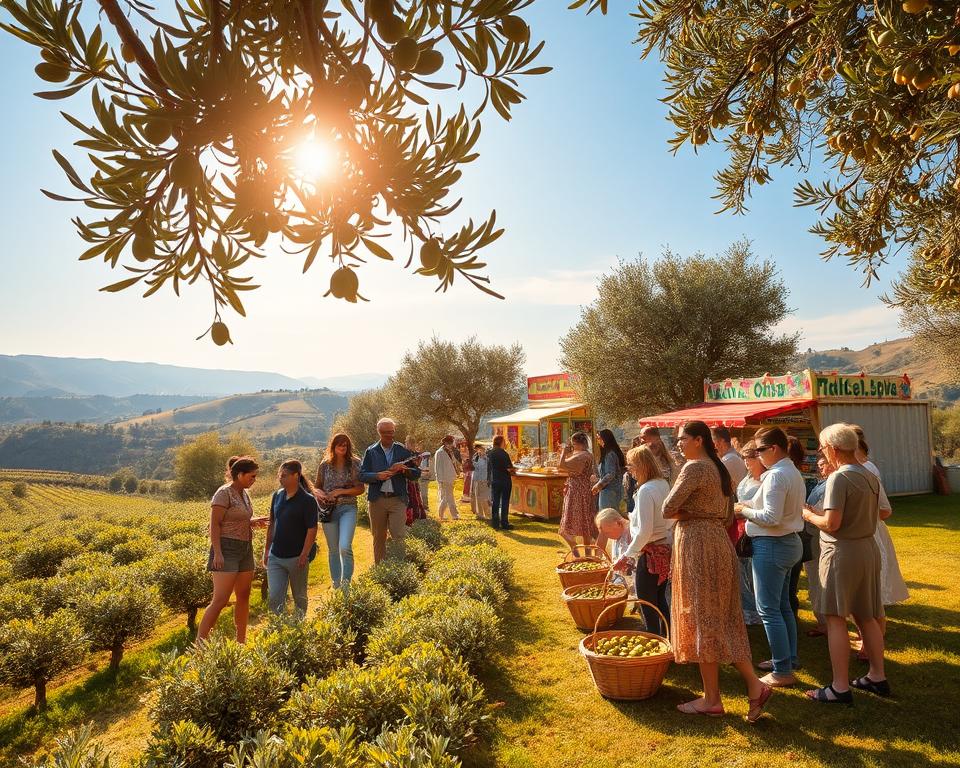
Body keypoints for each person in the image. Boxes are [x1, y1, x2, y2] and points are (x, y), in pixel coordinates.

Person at [663, 421, 771, 721]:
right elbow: (725, 515)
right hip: (718, 544)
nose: (679, 444)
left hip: (698, 546)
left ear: (698, 440)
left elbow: (667, 508)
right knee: (721, 619)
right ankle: (752, 686)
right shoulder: (719, 467)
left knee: (703, 619)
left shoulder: (695, 468)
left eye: (682, 438)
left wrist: (692, 513)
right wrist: (700, 513)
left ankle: (714, 698)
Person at [802, 423, 889, 704]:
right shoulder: (869, 474)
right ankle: (877, 675)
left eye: (823, 447)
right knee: (867, 614)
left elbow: (832, 523)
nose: (821, 452)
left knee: (835, 617)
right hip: (867, 549)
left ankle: (839, 686)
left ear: (833, 449)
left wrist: (808, 515)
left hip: (842, 552)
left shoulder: (839, 478)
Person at [734, 426, 805, 687]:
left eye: (760, 450)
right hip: (788, 543)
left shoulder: (776, 476)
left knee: (769, 610)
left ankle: (782, 670)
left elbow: (771, 517)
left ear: (773, 448)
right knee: (783, 606)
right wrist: (748, 506)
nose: (757, 455)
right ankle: (787, 659)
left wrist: (744, 511)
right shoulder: (790, 472)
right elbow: (771, 508)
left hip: (773, 544)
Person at [198, 456, 268, 643]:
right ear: (240, 475)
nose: (254, 480)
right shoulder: (223, 493)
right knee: (220, 600)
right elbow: (214, 524)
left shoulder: (245, 494)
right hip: (226, 548)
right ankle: (200, 645)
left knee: (244, 596)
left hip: (245, 547)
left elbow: (238, 518)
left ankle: (241, 641)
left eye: (255, 476)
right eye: (251, 476)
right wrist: (218, 552)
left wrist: (253, 521)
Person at [611, 445, 673, 632]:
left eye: (631, 466)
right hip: (664, 547)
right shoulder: (662, 483)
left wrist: (627, 555)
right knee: (659, 598)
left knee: (647, 601)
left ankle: (654, 640)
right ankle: (667, 638)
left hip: (652, 551)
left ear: (641, 466)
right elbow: (667, 520)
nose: (629, 471)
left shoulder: (647, 489)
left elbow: (645, 530)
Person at [359, 418, 421, 563]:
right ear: (379, 432)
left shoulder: (402, 451)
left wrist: (405, 470)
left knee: (399, 535)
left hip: (397, 499)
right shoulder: (371, 451)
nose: (389, 435)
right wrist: (377, 476)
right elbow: (361, 475)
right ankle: (380, 568)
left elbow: (416, 474)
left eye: (391, 432)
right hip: (377, 500)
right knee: (378, 537)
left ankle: (399, 567)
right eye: (385, 433)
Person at [264, 460, 319, 615]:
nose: (280, 479)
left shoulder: (308, 500)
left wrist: (304, 554)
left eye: (284, 476)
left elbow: (312, 529)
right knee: (275, 597)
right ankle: (278, 629)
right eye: (279, 475)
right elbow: (272, 523)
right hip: (276, 557)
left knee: (299, 597)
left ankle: (299, 628)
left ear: (296, 475)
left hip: (297, 558)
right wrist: (267, 550)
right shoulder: (277, 496)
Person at [315, 433, 364, 593]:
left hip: (348, 508)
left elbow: (360, 489)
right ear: (333, 446)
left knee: (344, 546)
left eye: (345, 445)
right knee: (333, 549)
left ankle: (346, 583)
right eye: (339, 445)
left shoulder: (355, 463)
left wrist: (339, 491)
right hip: (329, 511)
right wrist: (322, 496)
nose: (343, 447)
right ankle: (336, 583)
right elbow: (317, 487)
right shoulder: (324, 465)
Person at [803, 452, 834, 637]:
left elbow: (828, 515)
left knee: (819, 580)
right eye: (819, 464)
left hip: (820, 537)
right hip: (815, 535)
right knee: (815, 579)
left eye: (824, 464)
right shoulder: (824, 482)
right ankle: (824, 622)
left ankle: (826, 623)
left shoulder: (833, 483)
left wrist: (809, 513)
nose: (821, 467)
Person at [733, 441, 763, 626]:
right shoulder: (748, 476)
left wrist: (742, 508)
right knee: (741, 570)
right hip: (740, 525)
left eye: (749, 459)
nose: (746, 463)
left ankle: (756, 612)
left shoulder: (765, 479)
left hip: (753, 525)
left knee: (752, 573)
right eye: (744, 459)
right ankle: (746, 610)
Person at [558, 431, 599, 549]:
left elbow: (561, 465)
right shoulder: (587, 455)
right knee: (585, 521)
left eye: (573, 445)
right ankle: (585, 551)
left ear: (579, 444)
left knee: (571, 525)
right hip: (582, 490)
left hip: (577, 491)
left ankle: (576, 549)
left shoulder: (582, 456)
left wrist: (564, 452)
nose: (572, 447)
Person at [487, 434, 515, 530]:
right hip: (504, 480)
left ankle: (495, 523)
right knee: (505, 502)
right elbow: (509, 468)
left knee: (495, 501)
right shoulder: (503, 453)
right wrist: (513, 471)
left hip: (494, 479)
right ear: (501, 442)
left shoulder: (490, 453)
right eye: (504, 441)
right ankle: (504, 522)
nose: (505, 443)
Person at [434, 435, 461, 521]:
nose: (451, 445)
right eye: (449, 443)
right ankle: (454, 515)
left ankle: (442, 515)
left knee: (446, 497)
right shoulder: (439, 452)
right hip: (444, 478)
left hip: (450, 477)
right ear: (445, 443)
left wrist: (457, 471)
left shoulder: (450, 452)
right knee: (448, 497)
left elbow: (453, 463)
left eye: (451, 443)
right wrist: (439, 479)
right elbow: (437, 467)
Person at [471, 444, 491, 520]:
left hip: (483, 479)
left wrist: (482, 457)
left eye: (480, 449)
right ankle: (480, 514)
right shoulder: (475, 457)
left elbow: (483, 467)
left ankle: (487, 514)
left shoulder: (486, 458)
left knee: (483, 497)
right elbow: (476, 467)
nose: (479, 451)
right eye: (477, 450)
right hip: (477, 479)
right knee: (478, 497)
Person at [623, 436, 642, 515]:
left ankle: (632, 512)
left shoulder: (639, 452)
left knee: (633, 495)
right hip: (632, 476)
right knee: (631, 495)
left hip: (636, 476)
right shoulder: (633, 453)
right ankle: (631, 513)